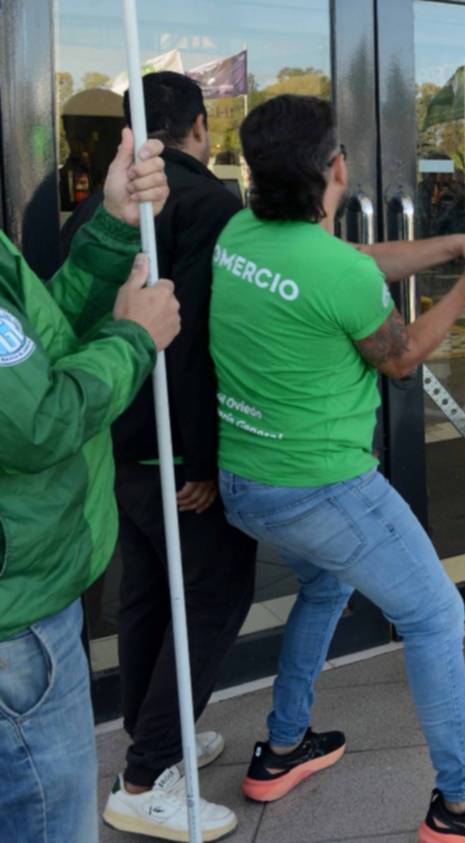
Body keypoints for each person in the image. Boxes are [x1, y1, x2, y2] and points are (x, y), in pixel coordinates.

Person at [208, 94, 465, 843]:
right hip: (320, 486)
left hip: (244, 479)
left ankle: (283, 747)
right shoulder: (336, 273)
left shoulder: (239, 235)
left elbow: (353, 264)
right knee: (435, 613)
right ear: (335, 169)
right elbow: (400, 358)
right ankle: (462, 805)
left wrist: (454, 243)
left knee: (326, 584)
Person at [57, 72, 256, 842]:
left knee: (146, 592)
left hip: (114, 436)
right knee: (212, 594)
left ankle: (154, 735)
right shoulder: (209, 205)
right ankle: (145, 775)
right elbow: (204, 340)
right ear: (199, 126)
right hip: (176, 447)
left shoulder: (97, 208)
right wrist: (204, 459)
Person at [0, 129, 175, 843]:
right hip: (19, 621)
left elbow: (34, 350)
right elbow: (38, 420)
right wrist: (134, 338)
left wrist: (111, 228)